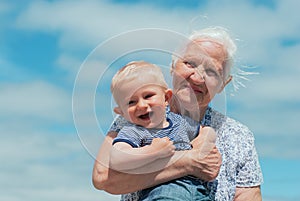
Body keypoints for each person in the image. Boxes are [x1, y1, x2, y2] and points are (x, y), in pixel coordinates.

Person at [92, 26, 263, 201]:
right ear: (173, 66)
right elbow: (103, 177)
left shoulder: (239, 135)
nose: (196, 78)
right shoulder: (138, 115)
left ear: (222, 85)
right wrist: (188, 161)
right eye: (190, 63)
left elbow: (248, 196)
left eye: (211, 72)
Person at [109, 61, 216, 200]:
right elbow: (117, 158)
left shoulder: (179, 121)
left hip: (199, 191)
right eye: (131, 102)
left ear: (166, 98)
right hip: (163, 189)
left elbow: (207, 131)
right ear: (121, 112)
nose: (141, 105)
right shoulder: (134, 131)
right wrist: (152, 151)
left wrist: (202, 143)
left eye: (148, 96)